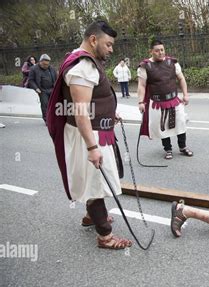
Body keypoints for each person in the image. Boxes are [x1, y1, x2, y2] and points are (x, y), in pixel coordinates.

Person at [46, 20, 131, 250]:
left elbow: (93, 101)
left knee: (95, 179)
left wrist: (110, 114)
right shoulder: (83, 66)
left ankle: (90, 216)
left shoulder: (85, 61)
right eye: (109, 44)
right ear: (93, 40)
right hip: (89, 135)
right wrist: (92, 148)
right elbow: (81, 112)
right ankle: (105, 236)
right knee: (95, 182)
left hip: (96, 130)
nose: (111, 49)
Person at [137, 38, 193, 160]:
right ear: (151, 51)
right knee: (163, 127)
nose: (161, 52)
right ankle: (168, 149)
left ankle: (182, 147)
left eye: (162, 50)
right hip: (158, 103)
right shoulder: (145, 66)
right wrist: (141, 102)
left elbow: (181, 79)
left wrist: (185, 94)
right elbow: (141, 85)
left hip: (174, 100)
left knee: (181, 124)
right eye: (157, 51)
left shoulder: (172, 63)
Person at [28, 54, 56, 124]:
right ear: (40, 62)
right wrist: (36, 88)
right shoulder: (33, 69)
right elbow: (31, 80)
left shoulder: (51, 68)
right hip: (42, 90)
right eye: (44, 64)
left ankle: (53, 118)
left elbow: (56, 78)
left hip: (52, 89)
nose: (46, 66)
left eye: (47, 64)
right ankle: (47, 120)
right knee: (45, 104)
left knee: (53, 104)